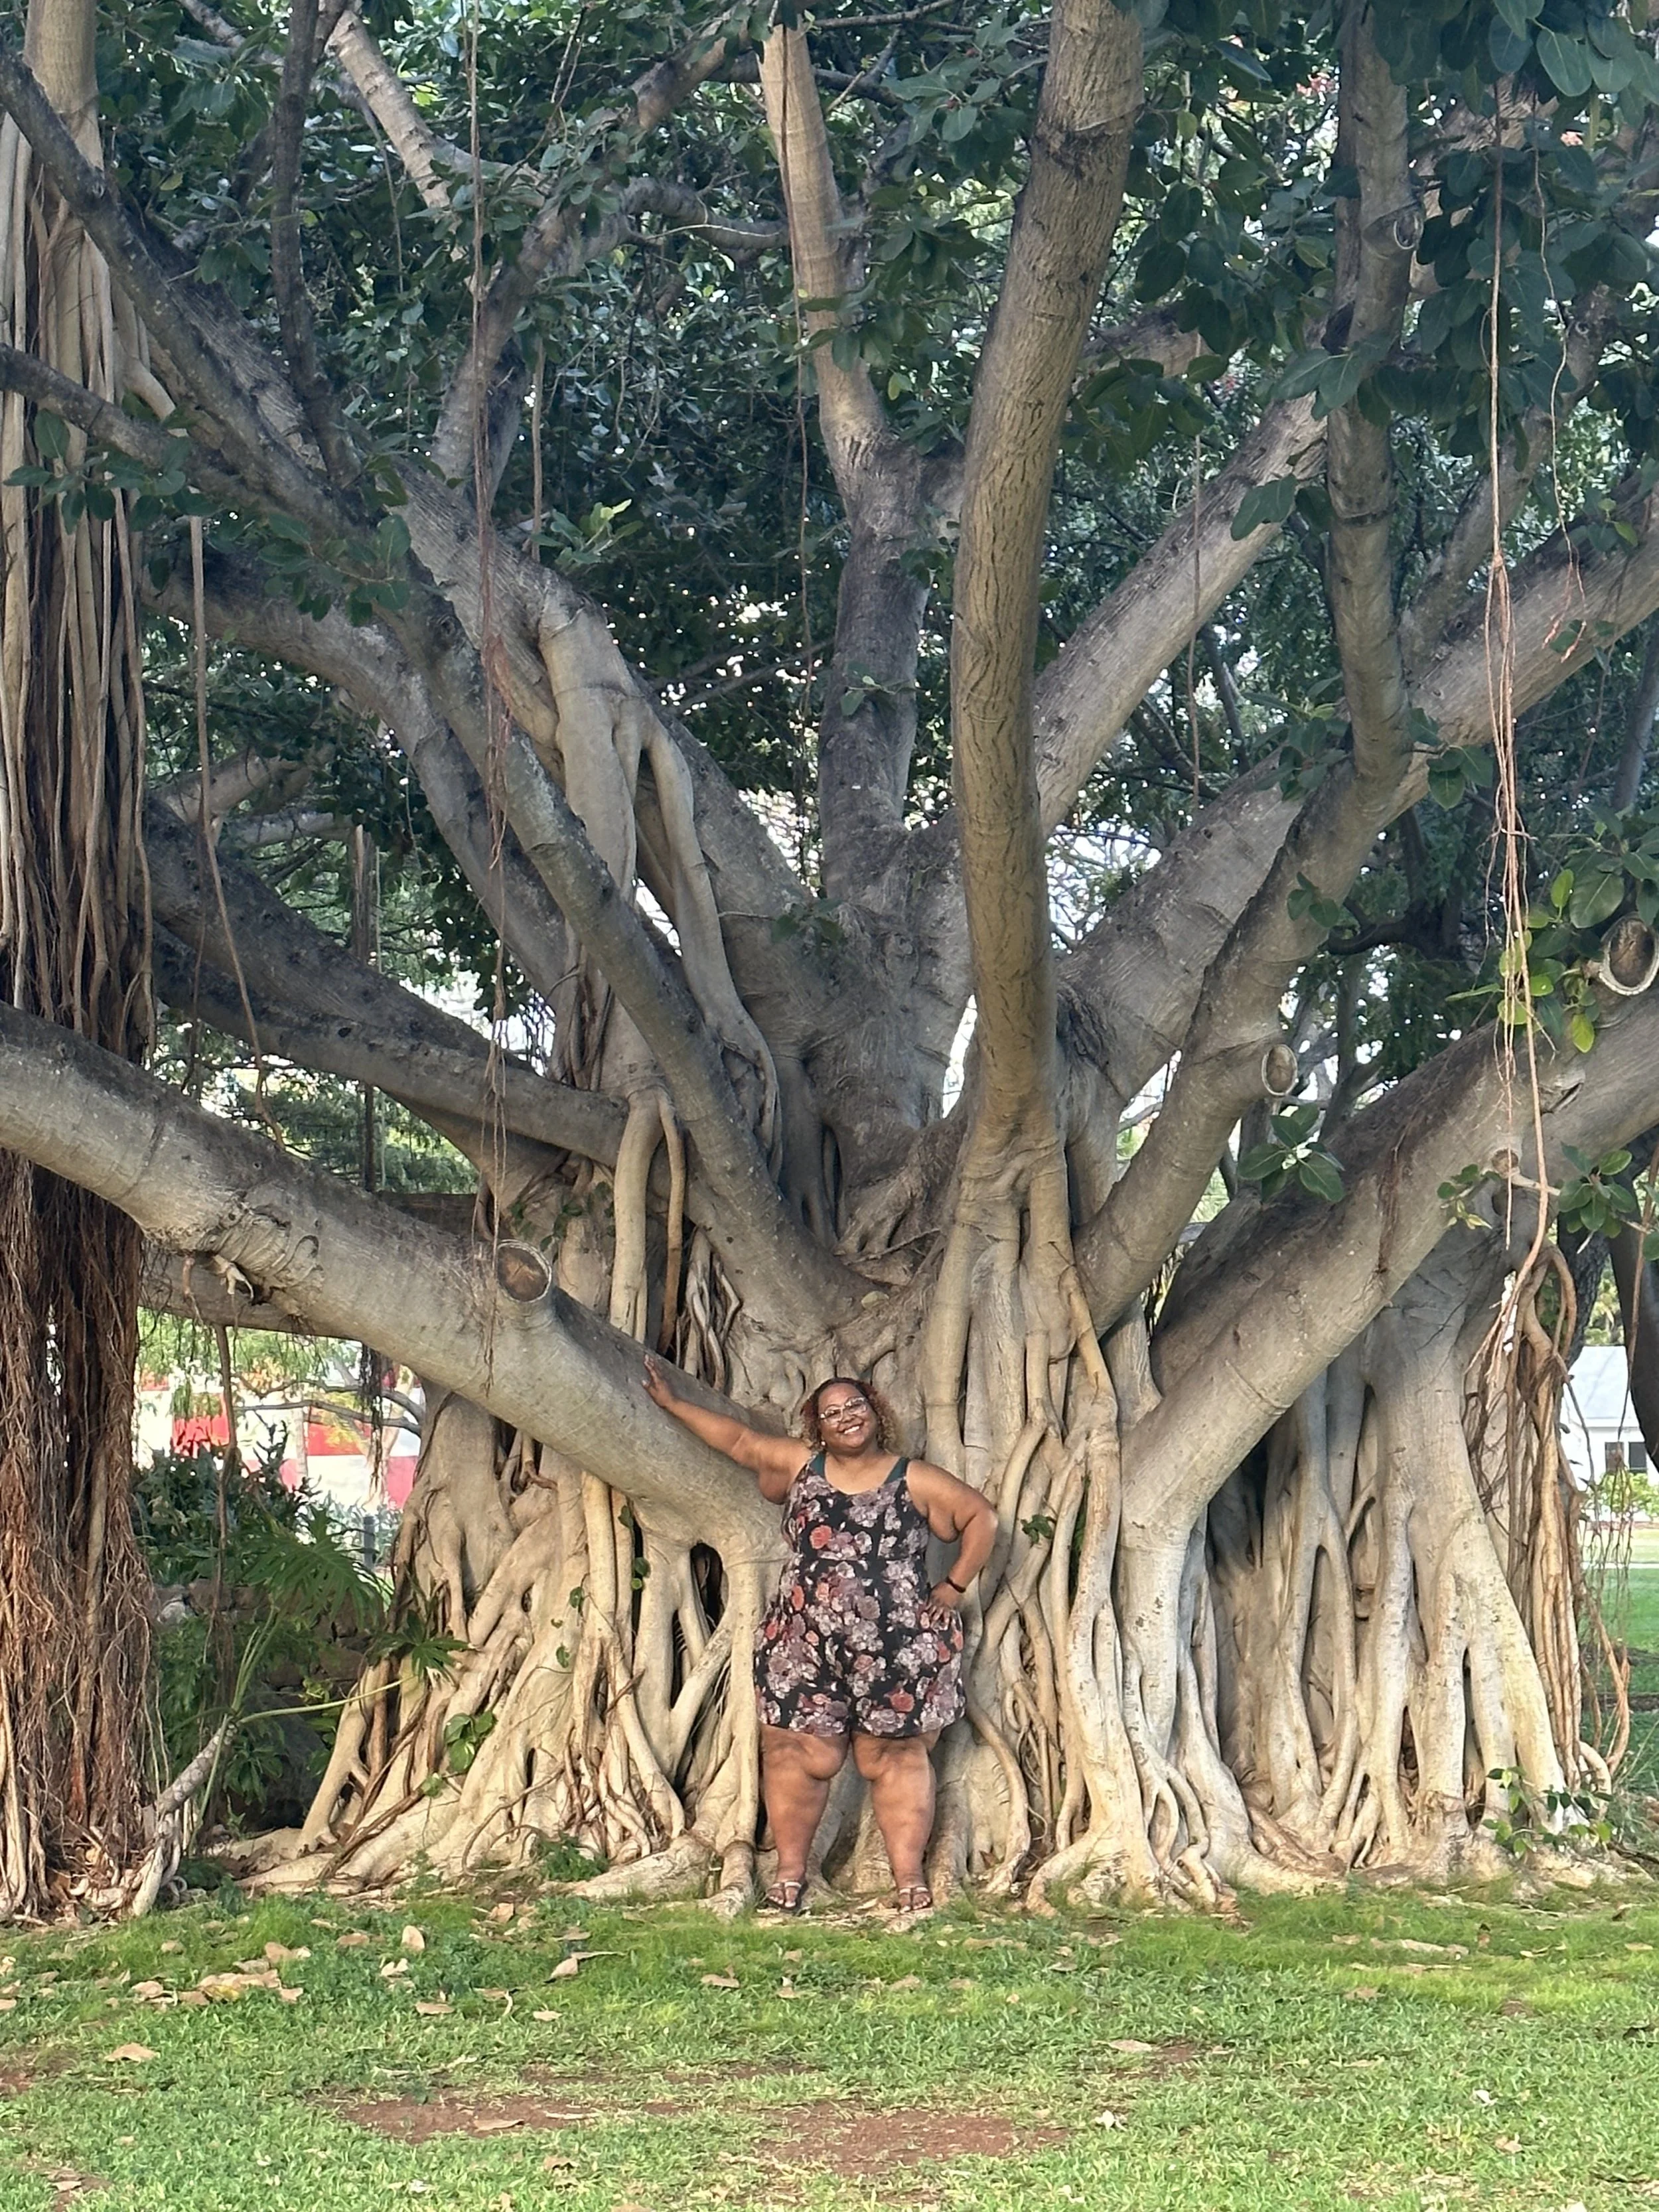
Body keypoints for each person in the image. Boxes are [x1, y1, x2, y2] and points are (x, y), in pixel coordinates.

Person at [642, 1356, 996, 1915]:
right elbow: (737, 1440)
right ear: (819, 1427)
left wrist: (952, 1587)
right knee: (794, 1751)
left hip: (898, 1648)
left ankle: (909, 1879)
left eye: (854, 1404)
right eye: (832, 1413)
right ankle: (789, 1874)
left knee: (897, 1756)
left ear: (875, 1411)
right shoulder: (800, 1465)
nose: (846, 1417)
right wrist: (674, 1403)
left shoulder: (916, 1477)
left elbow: (982, 1518)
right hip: (804, 1646)